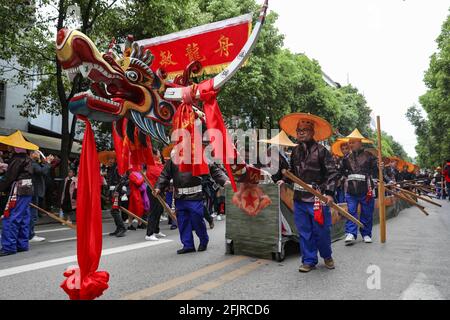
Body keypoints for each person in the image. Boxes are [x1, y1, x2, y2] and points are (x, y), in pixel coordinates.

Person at [278, 113, 338, 273]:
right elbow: (293, 172)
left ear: (312, 132)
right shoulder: (295, 152)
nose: (301, 132)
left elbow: (332, 173)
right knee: (304, 232)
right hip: (299, 198)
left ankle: (327, 256)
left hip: (317, 198)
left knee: (321, 232)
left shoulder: (322, 151)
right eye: (299, 130)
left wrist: (329, 193)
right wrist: (285, 179)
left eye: (305, 130)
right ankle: (309, 260)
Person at [154, 150, 230, 254]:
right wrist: (158, 187)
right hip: (179, 197)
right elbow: (164, 175)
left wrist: (224, 180)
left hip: (195, 196)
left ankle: (203, 240)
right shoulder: (173, 160)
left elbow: (214, 170)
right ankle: (188, 245)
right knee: (182, 221)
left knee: (197, 219)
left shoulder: (199, 157)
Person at [0, 131, 38, 256]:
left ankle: (9, 246)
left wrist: (1, 187)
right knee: (23, 217)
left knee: (10, 217)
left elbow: (10, 177)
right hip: (27, 189)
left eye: (10, 145)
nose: (8, 147)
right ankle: (22, 244)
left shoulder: (17, 159)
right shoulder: (26, 158)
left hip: (18, 190)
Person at [340, 129, 378, 245]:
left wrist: (380, 167)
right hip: (351, 190)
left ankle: (366, 233)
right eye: (349, 142)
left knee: (367, 212)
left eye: (353, 142)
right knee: (351, 211)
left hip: (366, 190)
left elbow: (376, 171)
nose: (350, 145)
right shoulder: (346, 158)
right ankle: (351, 233)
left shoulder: (369, 156)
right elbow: (342, 172)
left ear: (360, 142)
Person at [29, 151, 53, 242]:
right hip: (33, 191)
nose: (39, 154)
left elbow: (42, 169)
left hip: (33, 191)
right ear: (32, 154)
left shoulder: (33, 163)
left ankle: (28, 234)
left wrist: (45, 163)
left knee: (30, 214)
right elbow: (42, 171)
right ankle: (30, 235)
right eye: (37, 153)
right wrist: (48, 163)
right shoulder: (32, 163)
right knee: (32, 214)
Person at [144, 148, 167, 241]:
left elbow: (165, 172)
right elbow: (161, 174)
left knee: (159, 210)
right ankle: (149, 233)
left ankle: (156, 230)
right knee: (154, 211)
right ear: (154, 155)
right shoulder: (151, 164)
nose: (159, 155)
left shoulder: (158, 164)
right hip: (153, 189)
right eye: (158, 154)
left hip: (159, 190)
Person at [331, 139, 350, 204]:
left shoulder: (351, 158)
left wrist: (343, 178)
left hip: (348, 183)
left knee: (344, 200)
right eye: (343, 149)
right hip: (338, 183)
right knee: (338, 200)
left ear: (349, 149)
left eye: (346, 148)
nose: (344, 150)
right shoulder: (340, 159)